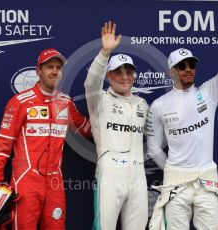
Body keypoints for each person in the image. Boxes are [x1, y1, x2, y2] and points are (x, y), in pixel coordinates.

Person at [147, 2, 218, 230]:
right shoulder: (159, 105)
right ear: (172, 71)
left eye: (191, 64)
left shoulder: (209, 92)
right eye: (182, 66)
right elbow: (153, 148)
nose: (188, 69)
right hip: (176, 183)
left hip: (207, 181)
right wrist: (173, 168)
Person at [0, 48, 91, 230]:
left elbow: (86, 129)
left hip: (55, 183)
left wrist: (109, 117)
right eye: (49, 67)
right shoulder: (20, 102)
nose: (54, 71)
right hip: (26, 181)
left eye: (58, 68)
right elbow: (3, 145)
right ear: (38, 71)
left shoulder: (65, 103)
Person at [84, 21, 148, 229]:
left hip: (138, 176)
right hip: (110, 176)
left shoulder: (142, 104)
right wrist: (104, 54)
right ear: (109, 75)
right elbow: (90, 83)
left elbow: (156, 138)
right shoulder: (99, 100)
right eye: (118, 72)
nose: (124, 77)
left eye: (128, 72)